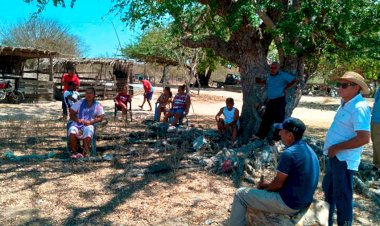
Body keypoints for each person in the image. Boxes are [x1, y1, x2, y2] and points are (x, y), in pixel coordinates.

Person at [228, 117, 320, 226]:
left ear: (290, 135)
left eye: (282, 131)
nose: (279, 133)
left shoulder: (289, 153)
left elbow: (277, 185)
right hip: (303, 200)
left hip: (289, 204)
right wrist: (267, 185)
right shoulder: (309, 150)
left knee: (240, 194)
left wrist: (265, 188)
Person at [322, 71, 371, 226]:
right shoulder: (345, 103)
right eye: (339, 84)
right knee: (329, 193)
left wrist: (336, 147)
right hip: (335, 157)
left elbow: (364, 138)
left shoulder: (359, 107)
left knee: (343, 199)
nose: (339, 88)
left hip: (344, 160)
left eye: (344, 85)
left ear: (356, 88)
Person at [255, 62, 296, 141]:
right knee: (266, 118)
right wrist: (260, 81)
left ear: (278, 68)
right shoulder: (269, 76)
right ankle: (261, 136)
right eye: (271, 68)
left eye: (274, 68)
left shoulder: (283, 75)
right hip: (271, 101)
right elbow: (268, 83)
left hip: (279, 100)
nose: (272, 69)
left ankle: (276, 139)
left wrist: (286, 88)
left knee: (279, 120)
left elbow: (294, 80)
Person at [68, 87, 104, 159]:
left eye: (90, 93)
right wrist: (77, 120)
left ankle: (84, 153)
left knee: (88, 130)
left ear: (94, 95)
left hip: (89, 124)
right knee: (72, 130)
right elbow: (71, 113)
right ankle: (75, 153)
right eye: (87, 93)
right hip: (77, 123)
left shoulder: (97, 105)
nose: (88, 95)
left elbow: (100, 117)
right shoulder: (80, 102)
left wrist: (92, 121)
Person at [371, 76, 380, 168]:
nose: (378, 79)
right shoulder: (378, 89)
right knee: (374, 141)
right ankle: (376, 164)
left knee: (378, 143)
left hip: (379, 120)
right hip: (374, 119)